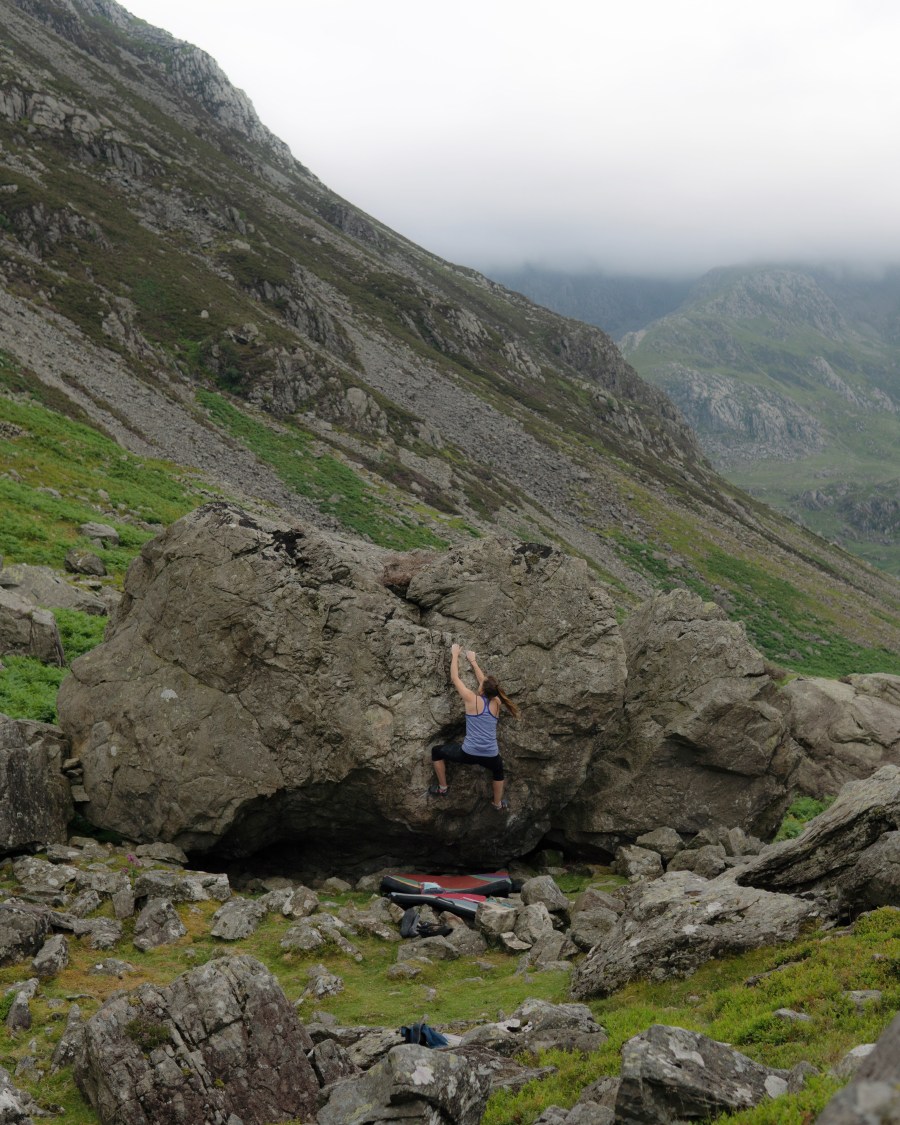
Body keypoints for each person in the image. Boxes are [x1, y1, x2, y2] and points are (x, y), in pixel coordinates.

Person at [429, 643, 518, 811]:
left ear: (482, 690)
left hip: (468, 753)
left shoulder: (471, 699)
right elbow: (484, 682)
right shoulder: (497, 703)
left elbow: (455, 678)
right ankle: (497, 803)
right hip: (491, 755)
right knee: (498, 771)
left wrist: (455, 655)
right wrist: (474, 661)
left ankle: (443, 787)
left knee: (436, 751)